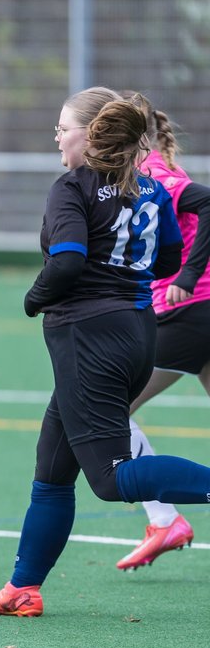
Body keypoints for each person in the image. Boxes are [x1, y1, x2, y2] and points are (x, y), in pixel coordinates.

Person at [0, 87, 210, 617]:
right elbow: (170, 253)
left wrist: (34, 299)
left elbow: (69, 262)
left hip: (89, 339)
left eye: (62, 128)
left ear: (92, 133)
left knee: (109, 478)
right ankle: (22, 588)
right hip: (137, 335)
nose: (57, 137)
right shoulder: (148, 188)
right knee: (53, 468)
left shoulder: (72, 187)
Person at [114, 92, 210, 570]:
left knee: (110, 410)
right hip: (200, 311)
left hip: (187, 312)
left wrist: (187, 279)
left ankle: (164, 517)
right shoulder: (153, 172)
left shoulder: (152, 176)